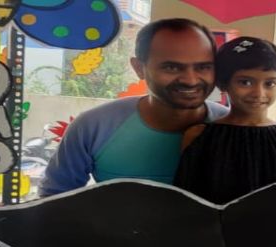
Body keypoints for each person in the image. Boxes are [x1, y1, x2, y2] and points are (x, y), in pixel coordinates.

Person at [38, 18, 229, 196]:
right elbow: (53, 199)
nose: (190, 80)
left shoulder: (233, 128)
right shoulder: (93, 126)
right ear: (139, 68)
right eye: (171, 67)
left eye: (203, 67)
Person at [173, 37, 276, 204]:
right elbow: (186, 199)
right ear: (223, 83)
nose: (259, 93)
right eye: (245, 82)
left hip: (273, 221)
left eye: (270, 83)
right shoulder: (199, 136)